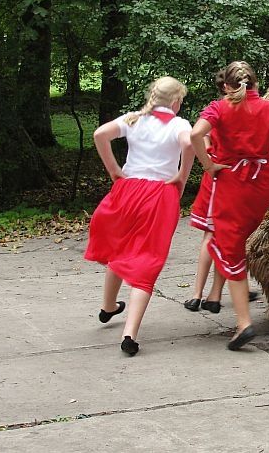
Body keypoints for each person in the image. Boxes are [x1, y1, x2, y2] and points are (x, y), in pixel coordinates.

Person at [191, 61, 269, 350]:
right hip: (261, 184)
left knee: (230, 248)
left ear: (227, 86)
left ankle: (243, 324)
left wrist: (207, 165)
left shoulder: (219, 108)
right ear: (255, 84)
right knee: (235, 240)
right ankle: (221, 299)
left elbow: (195, 135)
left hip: (232, 181)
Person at [85, 76, 194, 355]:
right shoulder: (179, 124)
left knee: (121, 248)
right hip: (159, 195)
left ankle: (108, 306)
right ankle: (129, 334)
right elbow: (189, 144)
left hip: (128, 190)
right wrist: (181, 176)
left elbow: (100, 135)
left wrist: (114, 170)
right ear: (176, 102)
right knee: (147, 258)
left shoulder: (134, 119)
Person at [184, 69, 258, 314]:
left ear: (227, 86)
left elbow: (200, 135)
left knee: (214, 234)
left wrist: (208, 160)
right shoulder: (255, 108)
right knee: (228, 236)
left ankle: (199, 294)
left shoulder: (217, 108)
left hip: (218, 173)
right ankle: (213, 294)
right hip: (242, 177)